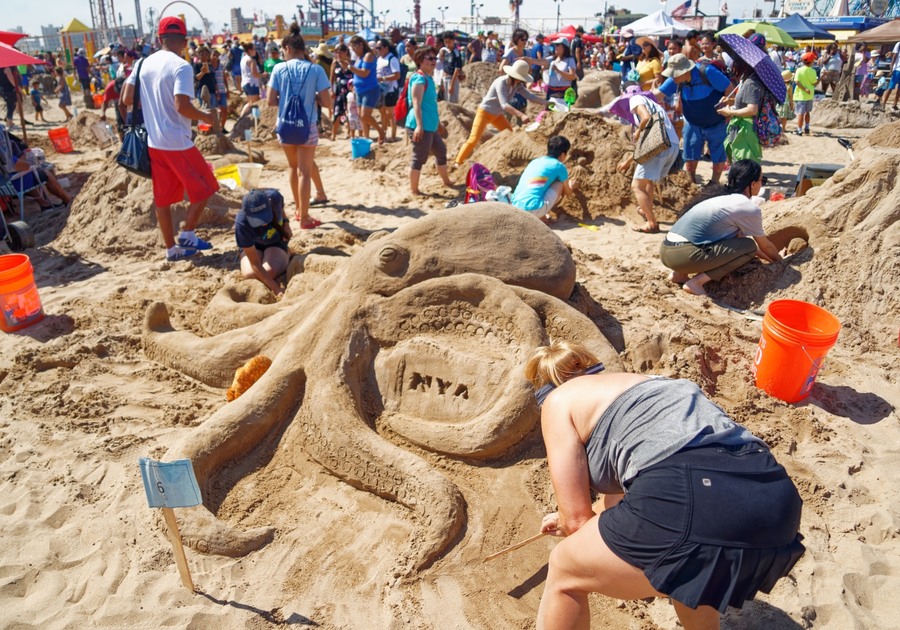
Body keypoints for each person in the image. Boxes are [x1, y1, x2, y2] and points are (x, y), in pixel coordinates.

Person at [526, 339, 805, 630]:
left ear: (547, 391)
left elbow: (577, 521)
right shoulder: (653, 386)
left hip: (688, 491)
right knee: (687, 567)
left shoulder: (558, 402)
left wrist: (571, 524)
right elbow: (625, 500)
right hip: (773, 496)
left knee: (564, 570)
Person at [121, 16, 219, 262]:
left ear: (159, 39)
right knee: (207, 186)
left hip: (154, 142)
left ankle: (171, 250)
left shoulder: (143, 63)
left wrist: (153, 101)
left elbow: (126, 98)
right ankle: (187, 234)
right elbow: (182, 106)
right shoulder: (181, 66)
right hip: (177, 141)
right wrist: (206, 115)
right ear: (184, 41)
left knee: (162, 199)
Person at [660, 159, 784, 296]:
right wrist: (781, 262)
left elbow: (739, 242)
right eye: (763, 180)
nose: (762, 184)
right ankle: (696, 283)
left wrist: (769, 259)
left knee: (739, 244)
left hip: (666, 251)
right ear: (753, 184)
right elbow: (762, 246)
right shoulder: (747, 207)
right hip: (682, 256)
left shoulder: (720, 198)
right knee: (749, 245)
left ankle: (680, 275)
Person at [267, 23, 333, 229]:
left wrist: (287, 99)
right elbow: (327, 102)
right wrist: (312, 98)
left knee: (293, 167)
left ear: (287, 48)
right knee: (305, 171)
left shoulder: (278, 68)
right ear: (302, 49)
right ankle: (305, 217)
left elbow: (270, 100)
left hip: (285, 124)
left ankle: (297, 209)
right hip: (308, 125)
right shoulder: (315, 70)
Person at [655, 53, 733, 185]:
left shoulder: (708, 72)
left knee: (718, 155)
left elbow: (729, 89)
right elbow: (657, 95)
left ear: (685, 71)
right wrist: (637, 98)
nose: (672, 77)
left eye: (675, 74)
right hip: (692, 123)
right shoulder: (676, 79)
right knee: (689, 154)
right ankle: (691, 182)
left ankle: (714, 183)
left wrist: (728, 110)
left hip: (717, 122)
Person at [453, 59, 547, 167]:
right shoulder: (501, 82)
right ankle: (457, 162)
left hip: (497, 115)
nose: (521, 81)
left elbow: (529, 96)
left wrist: (546, 102)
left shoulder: (517, 85)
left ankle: (510, 158)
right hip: (485, 112)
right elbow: (504, 105)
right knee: (473, 139)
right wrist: (521, 115)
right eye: (520, 79)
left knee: (511, 135)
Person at [616, 88, 679, 233]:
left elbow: (646, 118)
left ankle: (651, 223)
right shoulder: (653, 104)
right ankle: (646, 209)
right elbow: (648, 145)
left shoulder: (635, 99)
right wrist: (628, 162)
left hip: (660, 147)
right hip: (671, 145)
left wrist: (638, 131)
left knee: (637, 186)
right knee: (648, 180)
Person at [405, 46, 454, 196]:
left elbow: (430, 105)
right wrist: (419, 126)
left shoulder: (428, 78)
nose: (434, 61)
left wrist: (437, 124)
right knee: (419, 158)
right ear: (420, 60)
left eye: (435, 58)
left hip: (430, 125)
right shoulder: (419, 78)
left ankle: (446, 181)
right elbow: (416, 104)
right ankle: (414, 190)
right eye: (430, 58)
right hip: (420, 125)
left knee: (441, 151)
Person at [235, 188, 293, 296]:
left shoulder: (274, 197)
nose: (264, 223)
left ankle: (287, 252)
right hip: (254, 245)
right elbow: (255, 263)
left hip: (275, 241)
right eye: (258, 219)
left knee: (269, 272)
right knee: (250, 275)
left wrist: (286, 223)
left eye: (265, 216)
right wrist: (276, 288)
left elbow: (281, 209)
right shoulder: (241, 223)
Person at [510, 135, 578, 220]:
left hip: (514, 208)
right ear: (563, 154)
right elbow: (568, 192)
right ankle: (541, 217)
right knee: (559, 184)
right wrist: (572, 185)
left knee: (540, 184)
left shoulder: (535, 161)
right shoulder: (559, 166)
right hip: (532, 210)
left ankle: (542, 217)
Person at [347, 35, 385, 144]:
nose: (353, 50)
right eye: (352, 47)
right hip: (359, 89)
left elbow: (364, 73)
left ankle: (381, 131)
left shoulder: (368, 56)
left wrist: (350, 67)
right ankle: (367, 137)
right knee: (361, 116)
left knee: (365, 115)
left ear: (361, 45)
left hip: (370, 89)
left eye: (354, 47)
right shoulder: (359, 57)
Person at [375, 38, 402, 141]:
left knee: (390, 114)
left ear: (386, 48)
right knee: (383, 113)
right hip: (381, 89)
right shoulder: (379, 59)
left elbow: (397, 75)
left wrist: (383, 78)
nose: (378, 50)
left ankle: (393, 135)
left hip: (391, 89)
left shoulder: (392, 59)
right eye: (377, 48)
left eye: (379, 48)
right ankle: (384, 134)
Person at [330, 43, 355, 140]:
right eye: (336, 53)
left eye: (340, 53)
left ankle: (349, 132)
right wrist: (331, 90)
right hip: (339, 91)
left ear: (345, 53)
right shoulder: (335, 63)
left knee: (349, 112)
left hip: (349, 91)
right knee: (337, 112)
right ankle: (334, 133)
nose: (338, 55)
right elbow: (331, 78)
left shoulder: (351, 63)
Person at [792, 52, 817, 136]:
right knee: (807, 112)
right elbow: (814, 82)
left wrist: (804, 89)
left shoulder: (799, 70)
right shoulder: (813, 71)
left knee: (800, 113)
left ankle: (799, 130)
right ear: (811, 61)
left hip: (800, 95)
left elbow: (796, 82)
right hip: (809, 95)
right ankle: (806, 127)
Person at [437, 31, 464, 104]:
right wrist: (442, 81)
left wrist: (452, 84)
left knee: (452, 102)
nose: (447, 44)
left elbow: (457, 68)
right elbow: (444, 66)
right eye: (445, 42)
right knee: (446, 101)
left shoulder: (456, 52)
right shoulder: (446, 51)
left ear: (453, 41)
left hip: (452, 79)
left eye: (449, 42)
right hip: (445, 78)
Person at [239, 42, 262, 117]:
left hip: (245, 83)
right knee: (255, 104)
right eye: (254, 49)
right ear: (250, 50)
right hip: (252, 83)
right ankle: (256, 120)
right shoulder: (252, 60)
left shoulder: (243, 59)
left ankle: (241, 119)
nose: (255, 51)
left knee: (250, 103)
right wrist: (263, 75)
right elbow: (254, 74)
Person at [879, 40, 900, 111]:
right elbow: (894, 56)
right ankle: (883, 103)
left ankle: (894, 104)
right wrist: (891, 68)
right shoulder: (899, 44)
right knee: (891, 87)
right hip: (897, 69)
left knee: (899, 89)